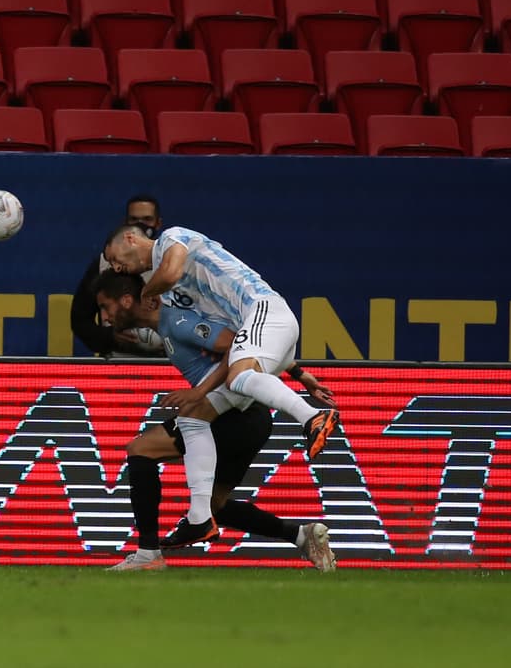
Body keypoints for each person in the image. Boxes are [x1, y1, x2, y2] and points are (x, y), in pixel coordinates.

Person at [103, 223, 340, 547]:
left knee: (237, 377)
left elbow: (171, 275)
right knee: (193, 416)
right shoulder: (177, 299)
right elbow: (247, 340)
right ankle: (204, 520)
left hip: (263, 309)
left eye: (114, 258)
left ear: (130, 238)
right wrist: (298, 373)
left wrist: (144, 293)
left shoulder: (173, 240)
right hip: (261, 329)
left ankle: (311, 416)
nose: (116, 267)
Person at [69, 194, 166, 357]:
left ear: (158, 223)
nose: (141, 224)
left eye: (147, 219)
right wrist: (109, 338)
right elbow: (79, 320)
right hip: (119, 364)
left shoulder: (172, 262)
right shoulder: (104, 264)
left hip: (170, 364)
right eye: (134, 219)